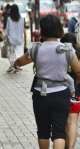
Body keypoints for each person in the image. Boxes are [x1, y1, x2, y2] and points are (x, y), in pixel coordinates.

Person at [14, 14, 80, 149]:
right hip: (61, 94)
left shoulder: (36, 48)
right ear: (59, 29)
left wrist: (16, 64)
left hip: (41, 94)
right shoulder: (68, 49)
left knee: (43, 131)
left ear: (42, 30)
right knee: (59, 132)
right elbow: (78, 70)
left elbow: (20, 61)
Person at [61, 33, 80, 149]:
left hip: (60, 91)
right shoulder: (77, 54)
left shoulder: (59, 53)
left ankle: (64, 144)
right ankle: (70, 147)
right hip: (77, 93)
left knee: (63, 121)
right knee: (73, 121)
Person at [6, 4, 27, 73]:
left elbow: (7, 29)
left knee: (11, 52)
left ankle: (12, 65)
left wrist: (6, 37)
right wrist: (25, 36)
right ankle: (17, 66)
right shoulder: (21, 19)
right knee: (19, 52)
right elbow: (23, 28)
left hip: (11, 38)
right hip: (19, 38)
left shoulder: (9, 19)